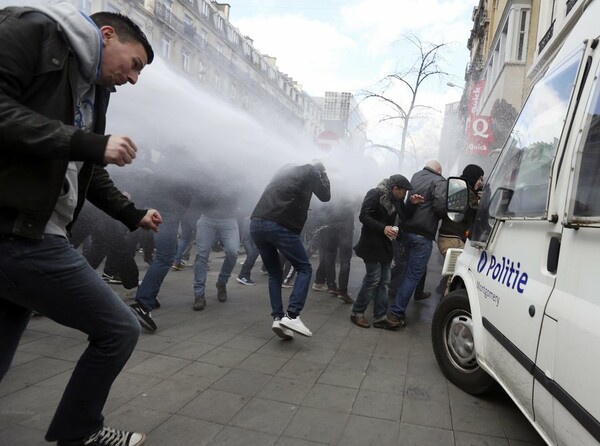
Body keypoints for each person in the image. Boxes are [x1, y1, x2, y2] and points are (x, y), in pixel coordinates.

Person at [0, 4, 158, 446]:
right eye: (134, 66)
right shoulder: (32, 29)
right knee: (118, 329)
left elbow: (86, 164)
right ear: (107, 35)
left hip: (27, 229)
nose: (132, 79)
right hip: (17, 230)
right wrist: (87, 141)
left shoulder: (93, 90)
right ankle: (80, 431)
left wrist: (132, 214)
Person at [250, 161, 331, 339]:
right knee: (304, 268)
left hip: (256, 223)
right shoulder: (311, 172)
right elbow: (325, 196)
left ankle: (278, 318)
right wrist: (322, 173)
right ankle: (292, 316)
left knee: (274, 272)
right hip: (279, 225)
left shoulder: (283, 171)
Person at [350, 175, 423, 329]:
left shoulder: (396, 199)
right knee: (373, 279)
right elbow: (364, 216)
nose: (404, 194)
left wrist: (411, 204)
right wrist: (383, 228)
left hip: (385, 245)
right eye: (403, 192)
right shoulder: (375, 194)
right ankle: (357, 313)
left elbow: (404, 215)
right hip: (371, 244)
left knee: (384, 282)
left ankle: (380, 317)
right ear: (395, 189)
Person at [390, 160, 447, 328]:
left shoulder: (415, 176)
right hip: (422, 235)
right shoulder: (439, 181)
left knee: (403, 267)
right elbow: (440, 207)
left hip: (407, 230)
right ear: (438, 169)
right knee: (413, 274)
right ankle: (396, 313)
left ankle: (387, 295)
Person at [436, 164, 484, 294]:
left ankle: (443, 292)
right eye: (480, 179)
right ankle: (448, 303)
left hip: (453, 238)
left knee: (454, 269)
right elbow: (471, 212)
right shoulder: (464, 191)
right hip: (453, 239)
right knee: (461, 270)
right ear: (473, 177)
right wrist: (482, 203)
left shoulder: (464, 189)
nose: (481, 183)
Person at [192, 189, 241, 311]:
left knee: (233, 252)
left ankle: (221, 282)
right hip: (207, 217)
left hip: (229, 218)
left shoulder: (236, 174)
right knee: (201, 255)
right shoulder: (208, 174)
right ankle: (199, 293)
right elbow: (197, 191)